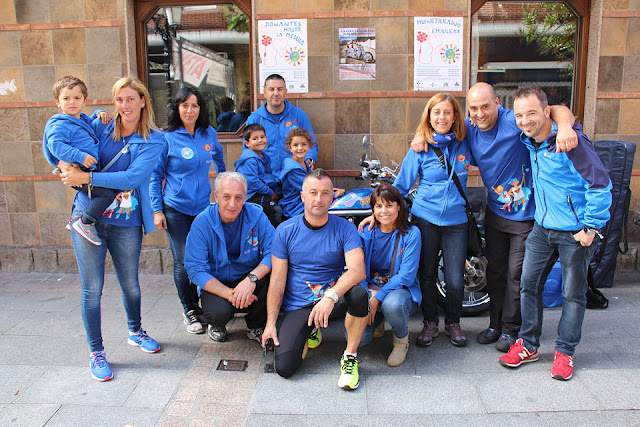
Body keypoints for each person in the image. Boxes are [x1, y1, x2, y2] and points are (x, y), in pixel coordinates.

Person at [411, 82, 578, 352]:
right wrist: (421, 137)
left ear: (498, 103)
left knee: (517, 275)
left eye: (485, 106)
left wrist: (567, 128)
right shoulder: (467, 128)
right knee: (496, 272)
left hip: (526, 215)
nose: (480, 113)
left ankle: (512, 330)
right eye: (474, 108)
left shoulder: (515, 119)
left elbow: (556, 109)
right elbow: (439, 125)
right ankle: (495, 325)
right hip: (495, 212)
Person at [499, 86, 612, 381]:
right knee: (528, 284)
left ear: (546, 112)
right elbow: (563, 111)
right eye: (520, 115)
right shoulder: (530, 141)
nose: (525, 120)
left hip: (575, 232)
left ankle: (565, 352)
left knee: (572, 294)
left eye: (532, 113)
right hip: (542, 228)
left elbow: (601, 185)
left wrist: (592, 228)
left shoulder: (571, 142)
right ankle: (529, 345)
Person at [59, 76, 165, 382]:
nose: (125, 106)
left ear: (143, 101)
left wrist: (88, 180)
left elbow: (132, 178)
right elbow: (62, 141)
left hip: (126, 223)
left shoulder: (154, 140)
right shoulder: (99, 126)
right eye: (119, 99)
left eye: (131, 99)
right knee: (92, 290)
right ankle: (97, 352)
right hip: (86, 220)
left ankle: (135, 330)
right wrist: (65, 168)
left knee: (130, 284)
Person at [261, 169, 367, 390]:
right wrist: (271, 323)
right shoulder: (285, 230)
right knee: (285, 367)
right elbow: (278, 281)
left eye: (325, 193)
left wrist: (330, 296)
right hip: (300, 304)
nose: (318, 199)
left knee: (358, 294)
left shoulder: (345, 228)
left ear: (332, 197)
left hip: (332, 299)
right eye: (313, 192)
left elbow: (357, 271)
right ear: (302, 196)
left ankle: (350, 356)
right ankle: (312, 329)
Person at [394, 93, 472, 348]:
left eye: (447, 112)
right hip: (425, 218)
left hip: (456, 221)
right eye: (436, 112)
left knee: (455, 278)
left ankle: (453, 322)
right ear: (429, 115)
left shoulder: (466, 141)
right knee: (426, 274)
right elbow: (401, 186)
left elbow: (488, 122)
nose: (442, 117)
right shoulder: (420, 147)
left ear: (455, 116)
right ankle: (430, 323)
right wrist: (379, 213)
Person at [149, 87, 226, 335]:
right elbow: (155, 176)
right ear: (177, 109)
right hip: (175, 209)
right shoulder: (167, 138)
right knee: (182, 261)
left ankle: (208, 306)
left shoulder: (208, 134)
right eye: (184, 105)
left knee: (204, 258)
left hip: (203, 208)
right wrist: (156, 209)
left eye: (194, 105)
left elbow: (221, 164)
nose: (190, 110)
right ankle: (190, 309)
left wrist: (223, 192)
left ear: (200, 109)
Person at [184, 172, 274, 344]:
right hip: (217, 281)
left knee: (275, 277)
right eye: (226, 197)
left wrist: (251, 279)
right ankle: (217, 324)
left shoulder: (257, 216)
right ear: (216, 196)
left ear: (245, 198)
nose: (232, 204)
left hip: (248, 277)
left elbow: (274, 251)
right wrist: (231, 294)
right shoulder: (202, 222)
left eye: (238, 197)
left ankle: (255, 325)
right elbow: (195, 268)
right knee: (218, 313)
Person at [42, 75, 114, 246]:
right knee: (107, 193)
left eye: (77, 98)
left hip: (87, 170)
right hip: (77, 171)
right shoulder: (59, 124)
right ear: (57, 102)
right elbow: (56, 146)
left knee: (97, 192)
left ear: (84, 101)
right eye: (66, 98)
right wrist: (79, 156)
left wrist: (99, 113)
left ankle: (78, 218)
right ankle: (85, 222)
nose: (72, 102)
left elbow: (91, 120)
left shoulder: (81, 119)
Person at [358, 183, 421, 367]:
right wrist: (365, 295)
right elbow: (358, 269)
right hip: (371, 289)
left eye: (389, 205)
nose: (384, 211)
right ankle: (378, 324)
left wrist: (378, 299)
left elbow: (406, 276)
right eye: (378, 206)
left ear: (399, 206)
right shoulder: (366, 232)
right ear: (372, 210)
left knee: (392, 304)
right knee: (358, 338)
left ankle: (401, 340)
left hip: (400, 290)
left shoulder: (411, 234)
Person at [245, 74, 317, 176]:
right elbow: (248, 151)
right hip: (266, 179)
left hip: (293, 176)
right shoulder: (255, 118)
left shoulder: (299, 115)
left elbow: (312, 144)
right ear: (265, 92)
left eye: (279, 89)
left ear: (285, 92)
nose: (276, 93)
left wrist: (309, 159)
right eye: (271, 89)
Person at [234, 123, 281, 227]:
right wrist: (270, 193)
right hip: (252, 195)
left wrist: (275, 191)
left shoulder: (265, 156)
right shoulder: (250, 160)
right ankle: (273, 237)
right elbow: (253, 182)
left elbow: (269, 176)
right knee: (275, 210)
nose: (260, 140)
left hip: (263, 191)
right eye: (255, 138)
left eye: (262, 137)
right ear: (247, 143)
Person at [280, 128, 314, 220]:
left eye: (304, 144)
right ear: (290, 147)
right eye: (295, 145)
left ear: (309, 146)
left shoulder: (305, 164)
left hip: (304, 204)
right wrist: (332, 194)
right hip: (295, 209)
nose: (300, 148)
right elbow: (309, 189)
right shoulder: (293, 169)